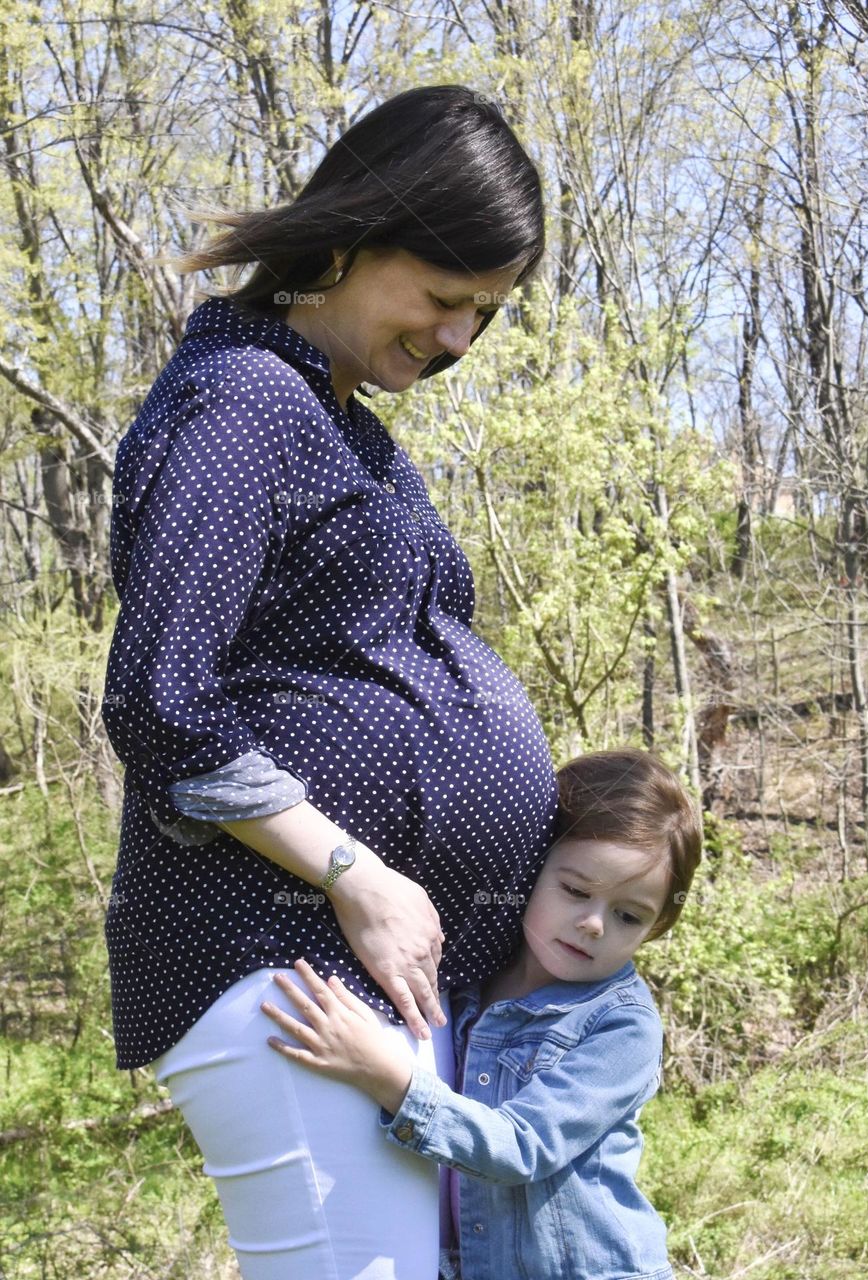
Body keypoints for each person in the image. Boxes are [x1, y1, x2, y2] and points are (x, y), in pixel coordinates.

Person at [100, 85, 559, 1279]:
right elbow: (158, 696)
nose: (459, 339)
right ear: (351, 239)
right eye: (445, 297)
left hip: (366, 977)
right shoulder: (244, 399)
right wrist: (354, 869)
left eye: (487, 314)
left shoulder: (340, 421)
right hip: (282, 961)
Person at [260, 748, 703, 1280]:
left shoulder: (621, 1025)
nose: (592, 923)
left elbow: (521, 1148)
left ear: (655, 927)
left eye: (628, 915)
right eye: (575, 890)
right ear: (532, 865)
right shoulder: (467, 978)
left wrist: (385, 1074)